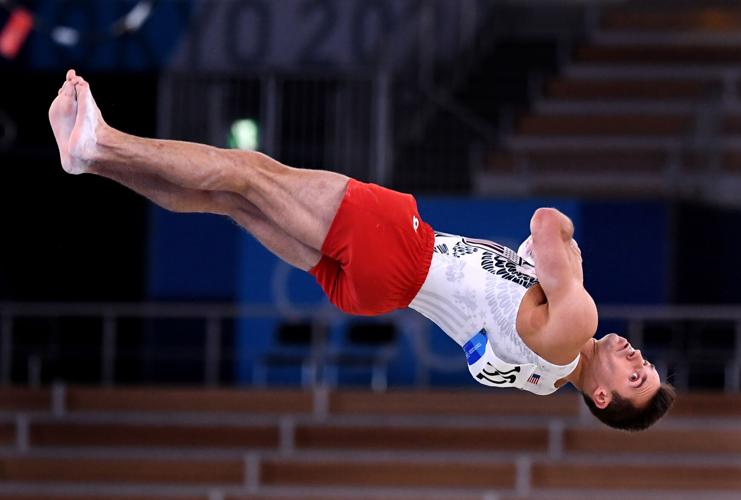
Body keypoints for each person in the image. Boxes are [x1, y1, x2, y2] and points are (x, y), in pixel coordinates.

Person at [49, 70, 675, 431]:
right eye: (646, 364)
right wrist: (544, 271)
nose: (636, 355)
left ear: (603, 397)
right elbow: (503, 304)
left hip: (404, 250)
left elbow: (545, 221)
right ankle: (92, 163)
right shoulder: (545, 381)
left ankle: (104, 144)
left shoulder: (578, 323)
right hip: (378, 292)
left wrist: (566, 249)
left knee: (246, 174)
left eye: (636, 376)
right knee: (230, 202)